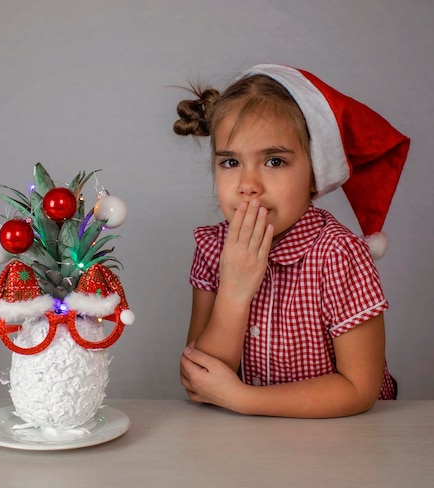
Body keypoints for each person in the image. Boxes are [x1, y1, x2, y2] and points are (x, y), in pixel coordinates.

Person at [175, 64, 410, 418]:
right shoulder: (212, 247)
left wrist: (243, 399)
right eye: (231, 162)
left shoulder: (339, 254)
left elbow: (359, 388)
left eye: (274, 160)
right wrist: (235, 291)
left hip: (343, 440)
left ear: (315, 173)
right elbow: (201, 380)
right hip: (245, 444)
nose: (248, 183)